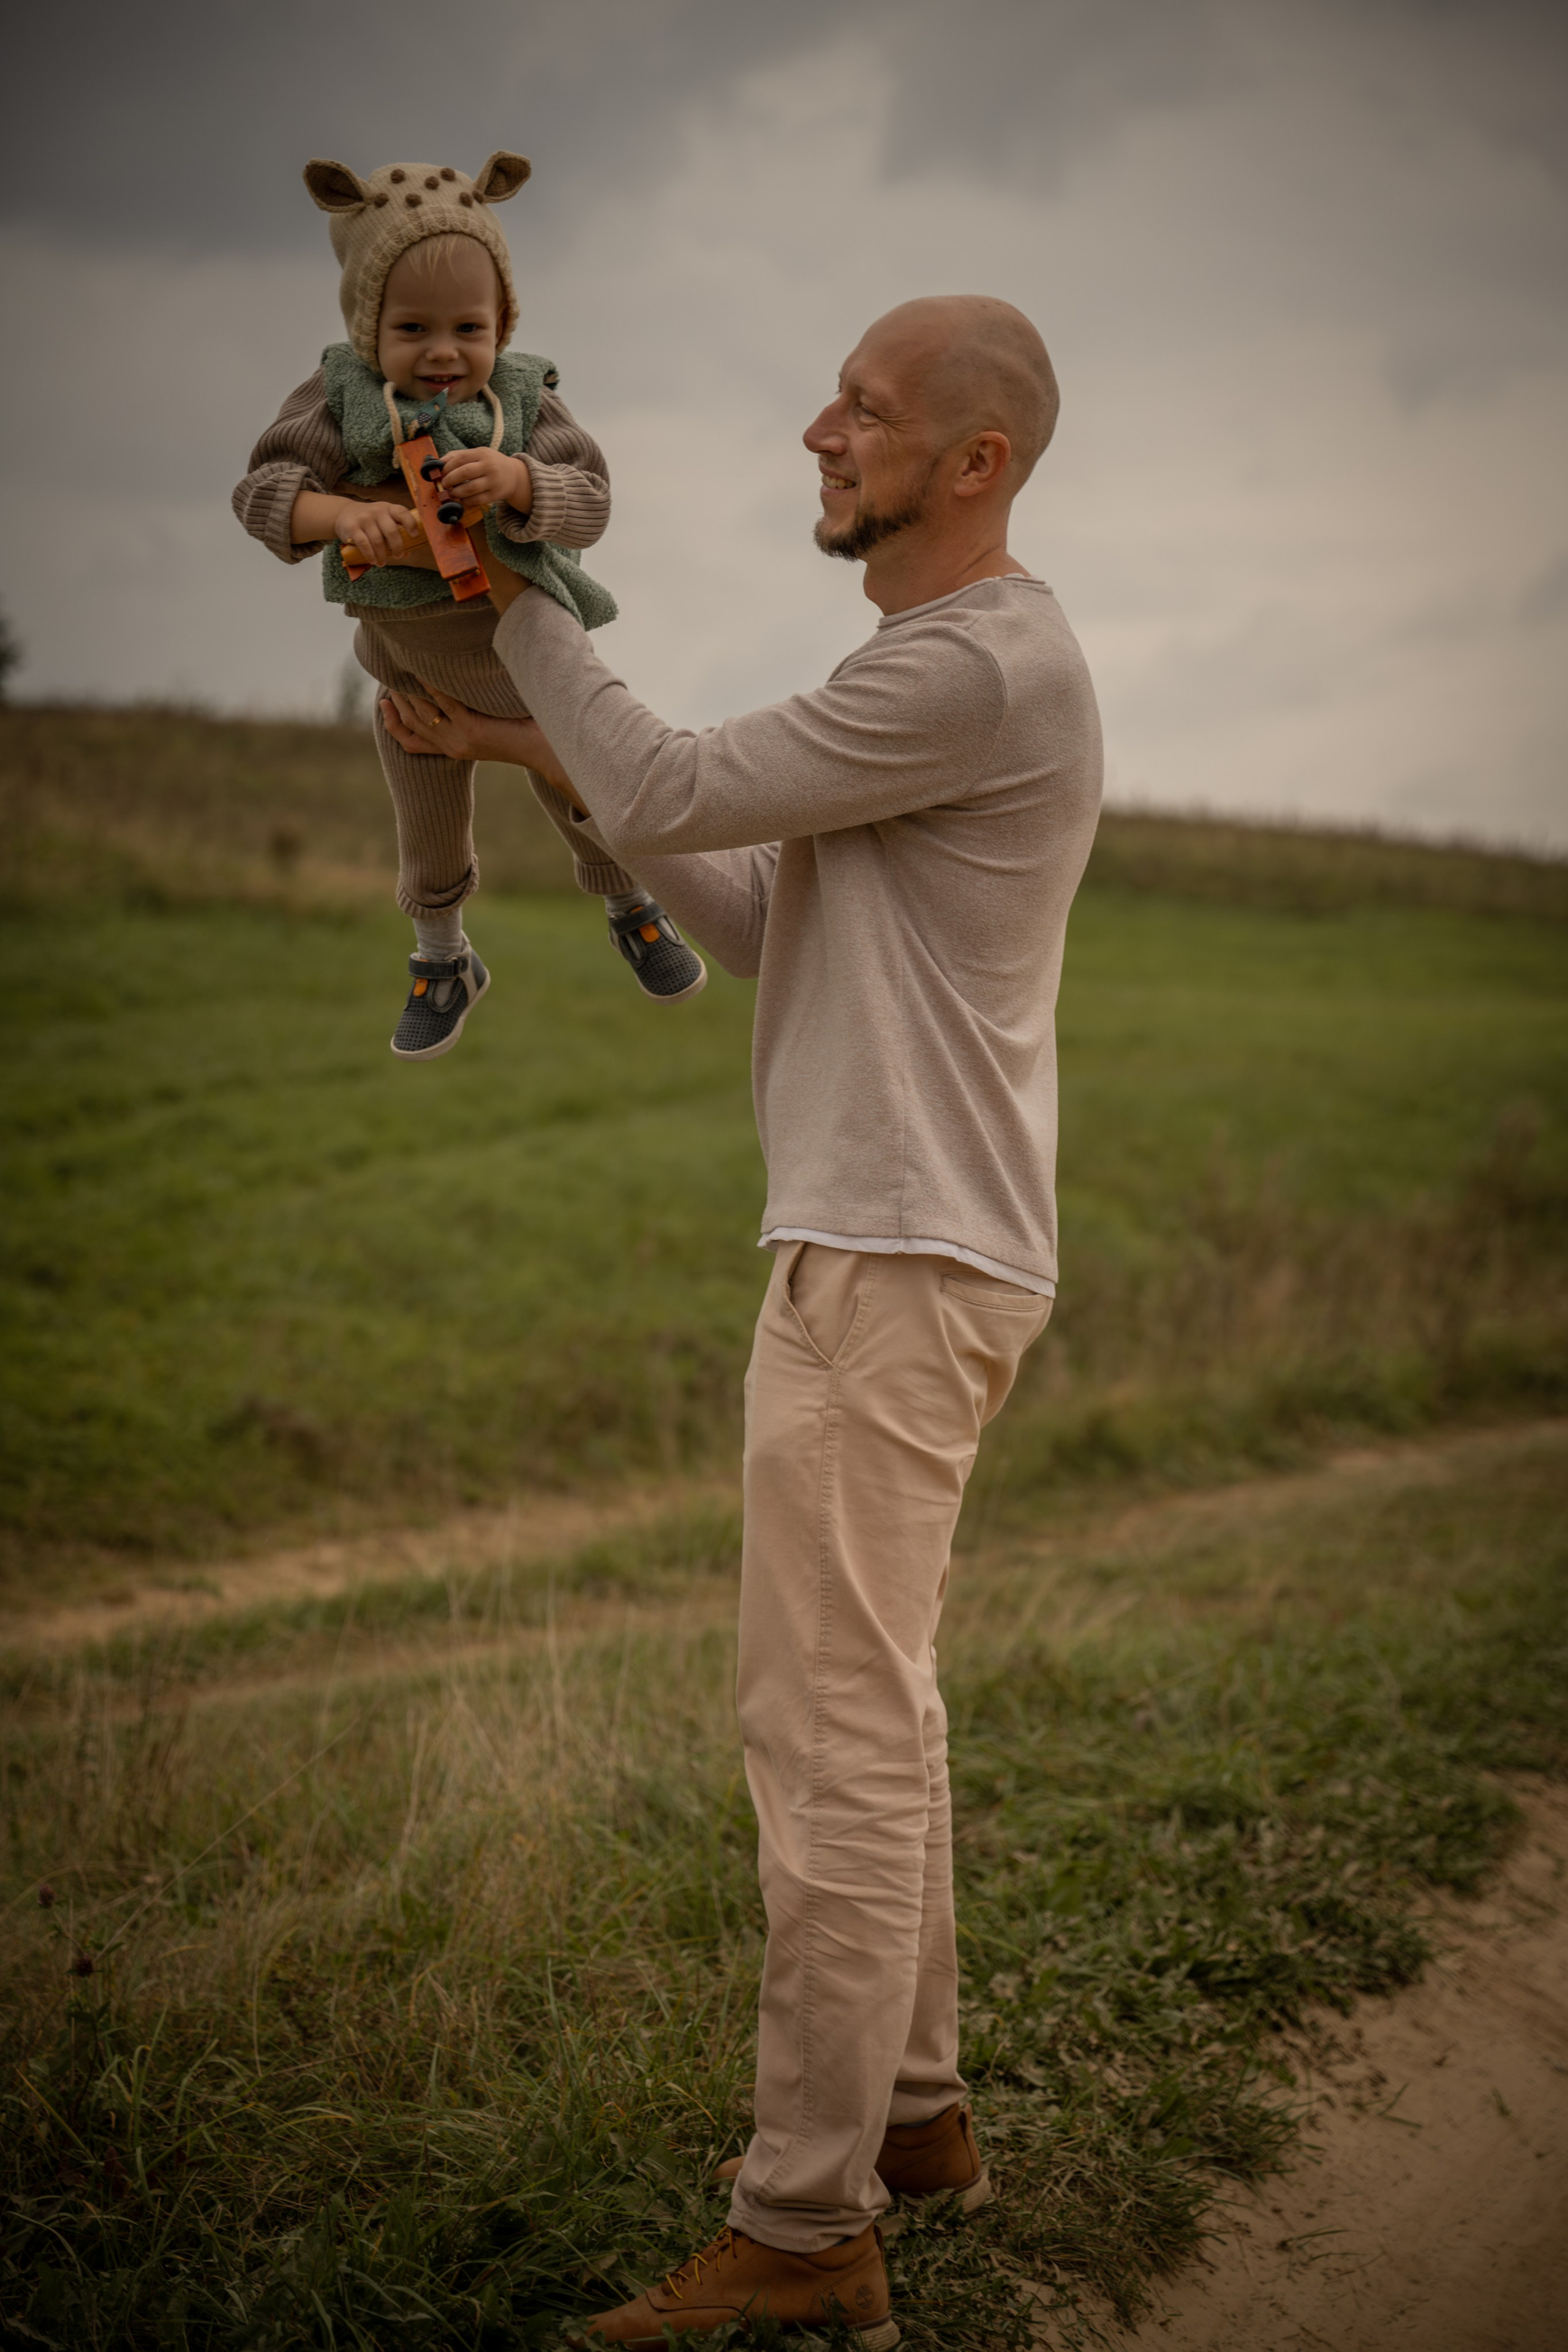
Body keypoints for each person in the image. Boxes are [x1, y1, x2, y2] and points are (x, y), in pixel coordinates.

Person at [383, 294, 1103, 2345]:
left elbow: (685, 778)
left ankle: (802, 2235)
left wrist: (498, 586)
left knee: (831, 1730)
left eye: (864, 413)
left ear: (974, 462)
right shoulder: (937, 668)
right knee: (878, 1697)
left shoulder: (983, 661)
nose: (819, 430)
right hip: (892, 1248)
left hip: (896, 1265)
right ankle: (921, 2120)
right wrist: (549, 761)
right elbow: (773, 913)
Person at [232, 150, 706, 1062]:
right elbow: (261, 493)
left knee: (586, 786)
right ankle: (443, 961)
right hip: (413, 664)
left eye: (468, 327)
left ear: (503, 324)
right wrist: (341, 515)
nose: (443, 351)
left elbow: (595, 501)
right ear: (369, 328)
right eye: (412, 327)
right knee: (427, 816)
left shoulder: (524, 402)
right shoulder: (339, 402)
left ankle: (632, 908)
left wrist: (523, 480)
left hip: (529, 651)